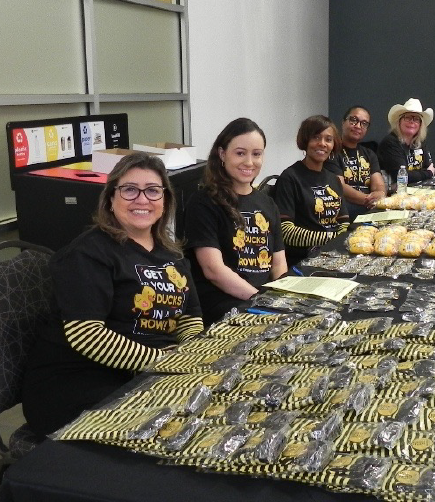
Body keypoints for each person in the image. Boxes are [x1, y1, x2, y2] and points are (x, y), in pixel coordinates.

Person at [22, 152, 205, 438]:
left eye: (153, 191)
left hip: (143, 374)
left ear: (165, 200)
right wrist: (162, 362)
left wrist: (193, 356)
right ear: (111, 198)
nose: (142, 199)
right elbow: (87, 335)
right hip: (77, 384)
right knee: (174, 432)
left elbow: (189, 317)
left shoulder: (172, 254)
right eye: (130, 190)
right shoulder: (88, 253)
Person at [185, 118, 287, 327]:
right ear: (222, 154)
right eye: (240, 153)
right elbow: (214, 271)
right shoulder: (203, 202)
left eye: (256, 154)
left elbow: (278, 264)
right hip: (225, 306)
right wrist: (263, 301)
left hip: (263, 301)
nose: (249, 162)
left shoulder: (267, 202)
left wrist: (283, 298)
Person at [273, 115, 349, 265]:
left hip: (332, 254)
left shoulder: (333, 179)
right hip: (304, 260)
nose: (322, 144)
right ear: (305, 140)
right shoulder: (290, 178)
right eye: (316, 137)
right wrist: (332, 238)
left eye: (328, 139)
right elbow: (285, 232)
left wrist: (337, 240)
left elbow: (344, 222)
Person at [324, 105, 386, 221]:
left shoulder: (369, 154)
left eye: (364, 123)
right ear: (343, 122)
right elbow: (339, 187)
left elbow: (379, 184)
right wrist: (368, 199)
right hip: (344, 212)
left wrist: (380, 193)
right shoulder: (332, 151)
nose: (358, 126)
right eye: (353, 120)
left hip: (369, 210)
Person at [378, 98, 435, 186]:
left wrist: (423, 173)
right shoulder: (390, 142)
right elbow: (402, 176)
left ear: (420, 125)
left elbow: (428, 166)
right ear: (399, 122)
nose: (412, 122)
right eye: (407, 118)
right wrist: (428, 173)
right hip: (393, 194)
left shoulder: (419, 141)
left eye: (416, 119)